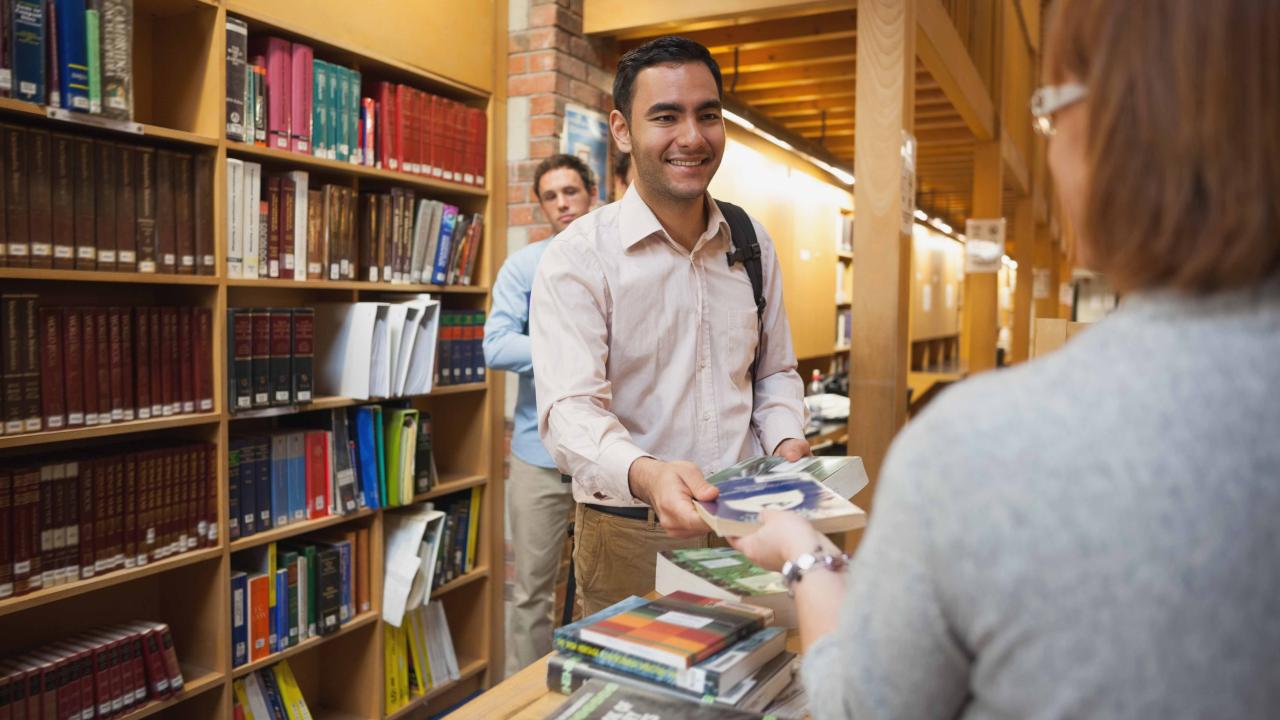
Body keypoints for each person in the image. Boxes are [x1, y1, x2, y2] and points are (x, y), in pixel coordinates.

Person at [733, 0, 1280, 717]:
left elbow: (866, 706)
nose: (1050, 146)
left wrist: (805, 555)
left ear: (1113, 124)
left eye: (1050, 112)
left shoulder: (975, 447)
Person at [530, 36, 811, 615]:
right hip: (633, 533)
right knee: (637, 703)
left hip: (746, 518)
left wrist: (785, 438)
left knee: (752, 690)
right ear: (622, 130)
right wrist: (649, 476)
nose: (692, 137)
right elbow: (569, 411)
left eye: (708, 115)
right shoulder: (579, 255)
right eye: (666, 117)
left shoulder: (752, 242)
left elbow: (775, 372)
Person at [484, 153, 595, 675]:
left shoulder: (613, 257)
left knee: (606, 591)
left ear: (590, 193)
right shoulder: (524, 267)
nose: (562, 203)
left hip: (606, 460)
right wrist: (565, 348)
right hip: (537, 455)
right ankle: (520, 706)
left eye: (569, 191)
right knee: (531, 593)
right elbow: (496, 347)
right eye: (550, 196)